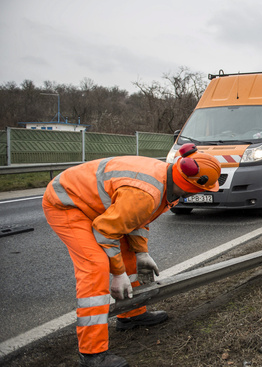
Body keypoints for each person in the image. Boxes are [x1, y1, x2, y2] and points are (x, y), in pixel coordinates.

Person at [42, 143, 221, 367]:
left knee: (130, 256)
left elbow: (137, 220)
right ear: (192, 186)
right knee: (95, 266)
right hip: (67, 204)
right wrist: (118, 274)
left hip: (97, 208)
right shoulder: (148, 192)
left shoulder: (166, 180)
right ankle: (92, 354)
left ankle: (131, 314)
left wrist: (141, 252)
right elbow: (106, 231)